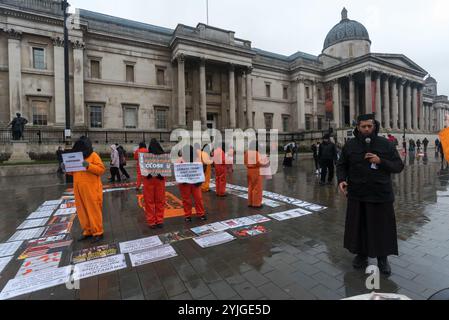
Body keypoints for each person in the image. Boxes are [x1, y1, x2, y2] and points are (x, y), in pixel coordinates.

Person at [337, 114, 404, 275]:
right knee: (359, 226)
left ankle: (382, 259)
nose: (367, 129)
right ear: (358, 127)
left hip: (380, 194)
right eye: (363, 126)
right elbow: (341, 165)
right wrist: (341, 180)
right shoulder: (350, 145)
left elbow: (398, 166)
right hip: (358, 194)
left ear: (374, 126)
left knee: (382, 228)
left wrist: (380, 161)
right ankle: (361, 255)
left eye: (369, 126)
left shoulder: (386, 144)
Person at [69, 136, 106, 243]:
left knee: (93, 211)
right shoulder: (76, 157)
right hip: (78, 188)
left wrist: (89, 165)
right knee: (82, 211)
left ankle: (98, 232)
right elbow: (72, 172)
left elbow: (101, 170)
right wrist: (65, 168)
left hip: (92, 189)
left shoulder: (93, 155)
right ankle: (87, 231)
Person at [177, 144, 207, 222]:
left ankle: (197, 213)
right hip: (185, 183)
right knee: (193, 198)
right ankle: (190, 214)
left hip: (194, 182)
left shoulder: (197, 159)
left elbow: (202, 169)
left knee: (195, 198)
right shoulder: (180, 159)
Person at [142, 139, 166, 229]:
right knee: (160, 201)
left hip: (149, 181)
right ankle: (159, 220)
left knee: (149, 202)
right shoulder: (163, 156)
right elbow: (165, 171)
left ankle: (151, 221)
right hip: (160, 181)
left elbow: (143, 171)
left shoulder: (146, 156)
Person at [244, 140, 269, 208]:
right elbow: (259, 163)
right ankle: (256, 203)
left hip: (249, 171)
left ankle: (250, 202)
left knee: (250, 187)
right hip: (256, 171)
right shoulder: (256, 153)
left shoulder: (246, 152)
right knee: (257, 187)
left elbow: (245, 162)